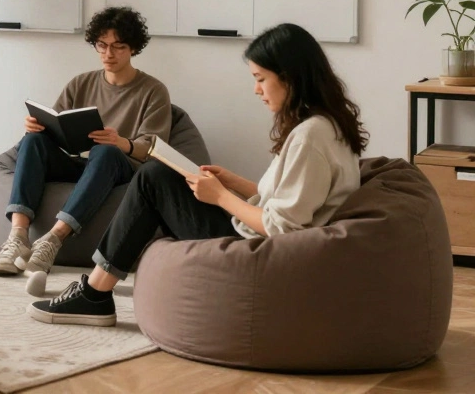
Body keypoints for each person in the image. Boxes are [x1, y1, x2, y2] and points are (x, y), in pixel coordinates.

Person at [29, 23, 366, 327]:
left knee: (152, 178)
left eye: (260, 79)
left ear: (291, 77)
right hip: (259, 238)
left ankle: (94, 294)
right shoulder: (326, 125)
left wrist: (219, 196)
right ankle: (95, 291)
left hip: (260, 253)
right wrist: (233, 183)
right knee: (160, 174)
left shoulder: (309, 136)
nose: (256, 90)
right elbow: (291, 200)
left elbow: (282, 227)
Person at [0, 7, 170, 294]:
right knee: (31, 141)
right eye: (102, 45)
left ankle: (53, 239)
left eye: (118, 47)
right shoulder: (82, 82)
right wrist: (37, 126)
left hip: (121, 168)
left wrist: (120, 142)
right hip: (81, 165)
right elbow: (56, 123)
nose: (108, 53)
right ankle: (18, 236)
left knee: (105, 151)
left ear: (133, 48)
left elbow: (154, 150)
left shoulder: (153, 91)